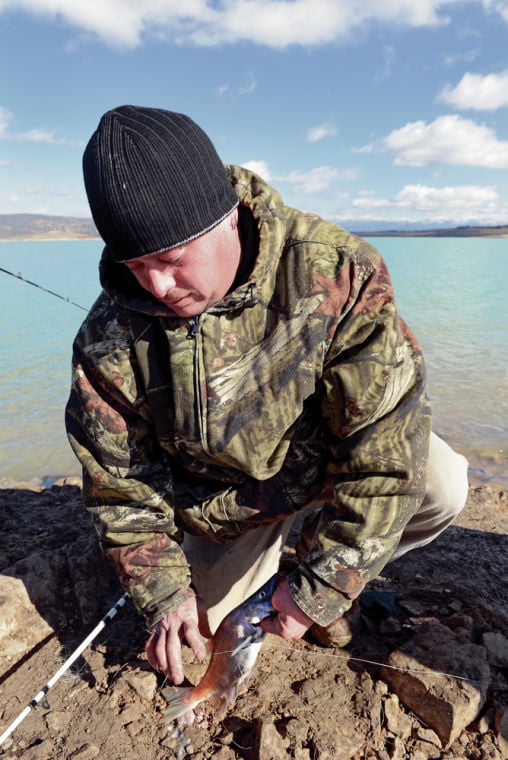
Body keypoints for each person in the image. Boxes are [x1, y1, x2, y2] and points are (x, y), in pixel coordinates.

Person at [66, 105, 468, 685]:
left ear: (227, 218)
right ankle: (264, 572)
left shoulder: (339, 272)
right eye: (136, 264)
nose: (156, 285)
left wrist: (324, 583)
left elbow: (386, 448)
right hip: (221, 507)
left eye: (172, 259)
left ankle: (309, 558)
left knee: (442, 484)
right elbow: (119, 485)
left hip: (326, 466)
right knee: (199, 638)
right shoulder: (109, 335)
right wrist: (163, 591)